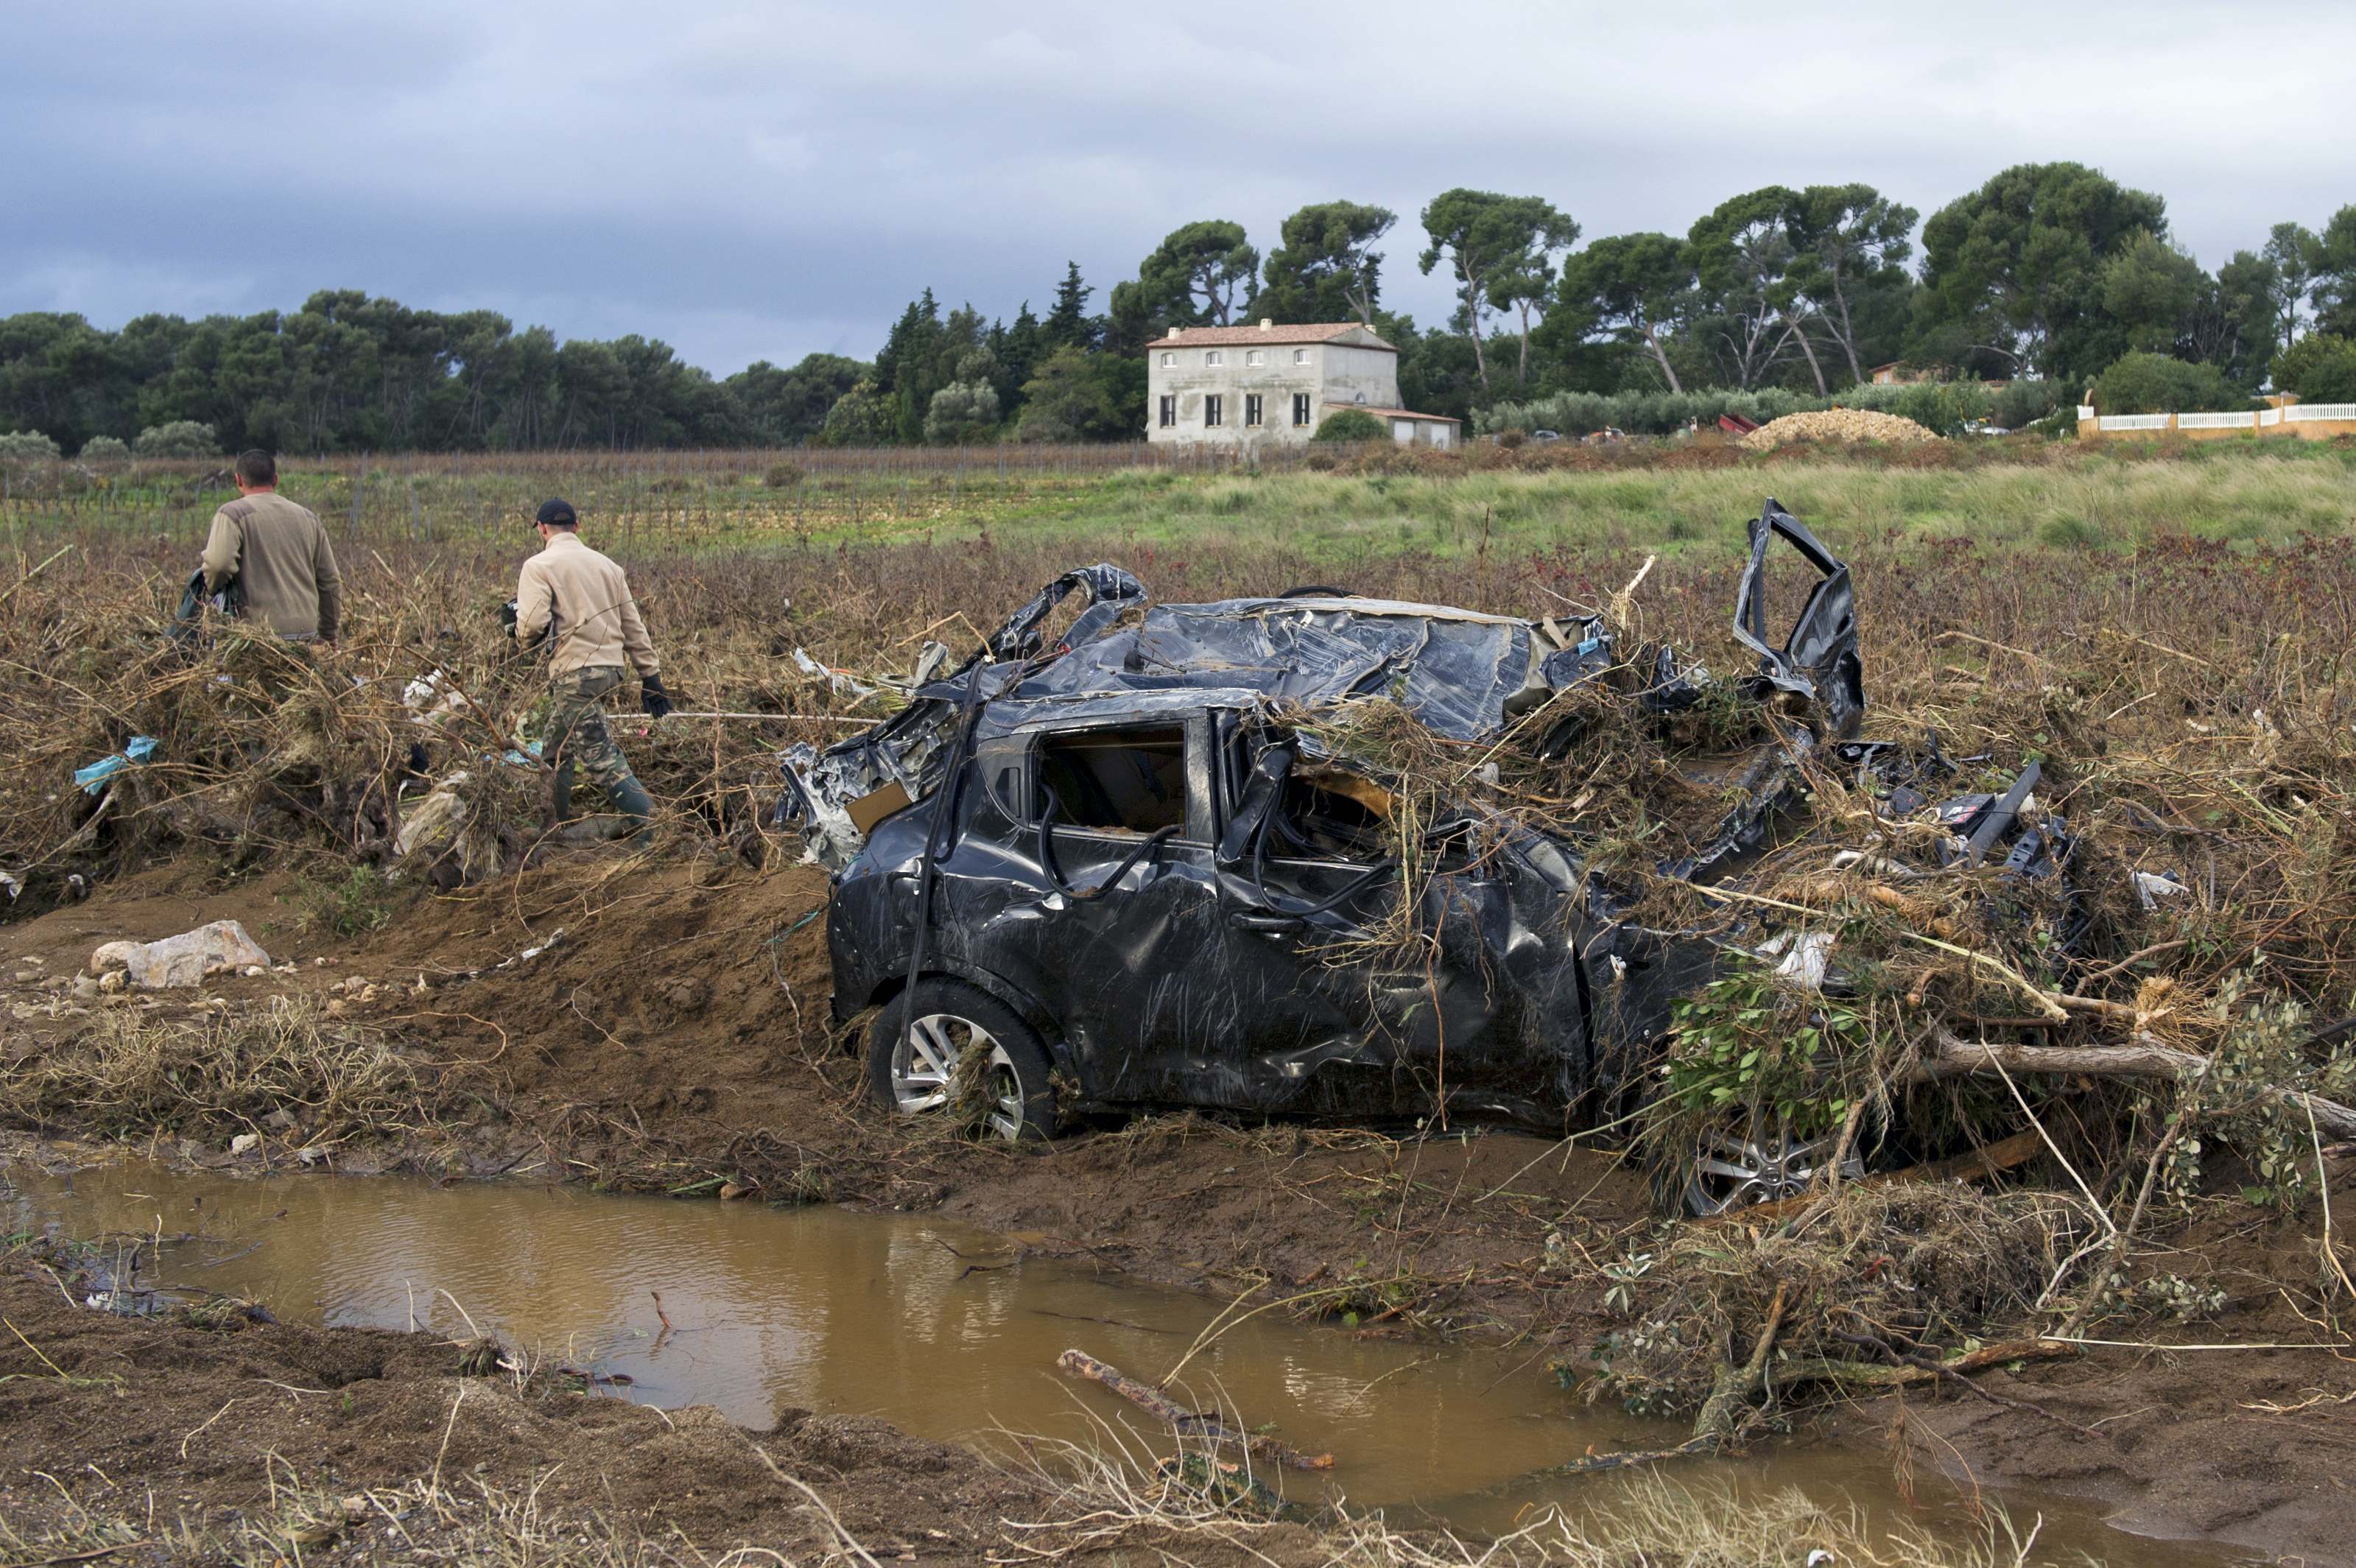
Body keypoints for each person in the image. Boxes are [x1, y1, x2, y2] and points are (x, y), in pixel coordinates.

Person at [513, 497, 670, 834]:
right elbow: (633, 626)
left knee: (600, 758)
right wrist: (650, 676)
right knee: (555, 750)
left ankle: (656, 830)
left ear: (542, 529)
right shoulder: (609, 567)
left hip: (574, 674)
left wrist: (518, 633)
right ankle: (553, 827)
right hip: (610, 670)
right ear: (577, 527)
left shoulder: (538, 567)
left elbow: (532, 626)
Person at [200, 449, 342, 642]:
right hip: (305, 635)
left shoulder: (232, 514)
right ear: (275, 479)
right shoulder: (309, 518)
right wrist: (328, 634)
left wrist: (210, 590)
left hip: (257, 639)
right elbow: (330, 580)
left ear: (238, 480)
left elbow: (219, 566)